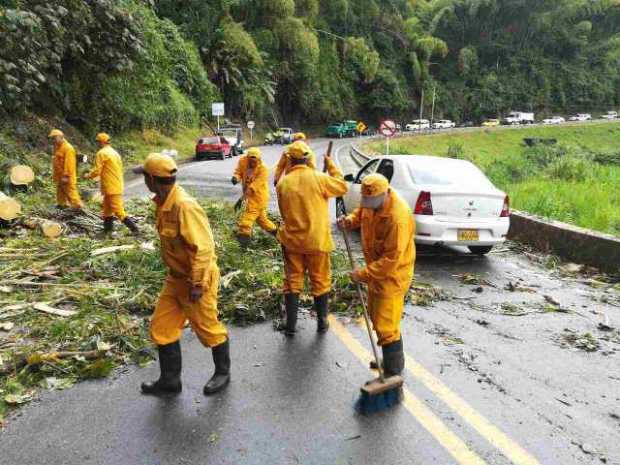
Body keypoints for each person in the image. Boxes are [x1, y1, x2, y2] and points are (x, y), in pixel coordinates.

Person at [134, 153, 230, 396]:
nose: (144, 181)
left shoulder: (183, 206)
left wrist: (197, 284)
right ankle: (170, 381)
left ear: (153, 179)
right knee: (161, 327)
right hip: (175, 279)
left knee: (208, 329)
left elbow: (204, 248)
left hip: (196, 280)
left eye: (145, 176)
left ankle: (223, 373)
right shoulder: (164, 203)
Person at [337, 173, 415, 377]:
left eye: (371, 201)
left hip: (392, 276)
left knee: (386, 324)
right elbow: (361, 212)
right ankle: (389, 359)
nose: (367, 204)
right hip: (376, 272)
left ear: (385, 194)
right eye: (366, 200)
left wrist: (361, 274)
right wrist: (349, 221)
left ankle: (394, 369)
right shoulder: (372, 204)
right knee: (375, 315)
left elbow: (391, 261)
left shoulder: (397, 219)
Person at [276, 141, 348, 336]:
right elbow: (342, 187)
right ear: (308, 158)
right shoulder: (319, 178)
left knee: (293, 281)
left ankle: (290, 324)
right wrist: (331, 165)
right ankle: (322, 321)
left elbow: (284, 213)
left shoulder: (283, 183)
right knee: (320, 280)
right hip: (317, 241)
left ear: (290, 159)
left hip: (293, 242)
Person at [83, 133, 139, 235]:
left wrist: (87, 175)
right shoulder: (114, 153)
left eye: (97, 142)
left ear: (101, 142)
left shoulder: (101, 153)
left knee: (118, 211)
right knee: (107, 210)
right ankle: (107, 230)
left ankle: (135, 229)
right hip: (115, 184)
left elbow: (97, 170)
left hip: (111, 186)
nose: (97, 144)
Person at [231, 147, 277, 246]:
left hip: (259, 198)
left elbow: (252, 187)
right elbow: (239, 171)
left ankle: (243, 246)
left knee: (246, 222)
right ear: (247, 158)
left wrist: (241, 199)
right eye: (250, 161)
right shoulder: (243, 161)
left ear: (259, 159)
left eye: (254, 161)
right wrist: (236, 178)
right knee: (262, 221)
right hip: (249, 196)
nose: (252, 163)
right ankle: (278, 234)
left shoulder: (263, 169)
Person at [49, 129, 83, 209]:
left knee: (71, 194)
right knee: (60, 192)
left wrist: (66, 176)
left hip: (67, 177)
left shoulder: (68, 148)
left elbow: (69, 164)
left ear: (61, 137)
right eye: (52, 138)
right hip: (59, 176)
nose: (53, 140)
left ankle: (78, 209)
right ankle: (62, 206)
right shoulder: (57, 147)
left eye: (54, 138)